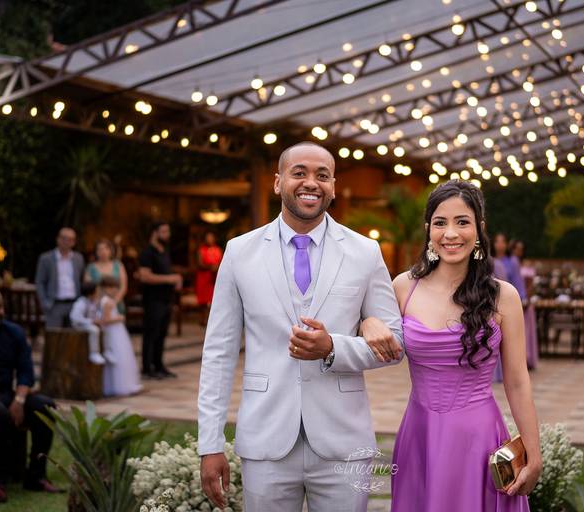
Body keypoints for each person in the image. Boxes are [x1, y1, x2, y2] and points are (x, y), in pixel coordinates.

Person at [198, 142, 404, 512]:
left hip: (343, 440)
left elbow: (395, 345)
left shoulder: (364, 252)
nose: (311, 182)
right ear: (278, 182)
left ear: (333, 187)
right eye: (299, 173)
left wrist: (333, 349)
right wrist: (210, 443)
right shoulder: (240, 252)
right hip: (265, 439)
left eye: (322, 175)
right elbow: (218, 353)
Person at [365, 181, 540, 510]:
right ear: (428, 229)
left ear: (479, 229)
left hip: (478, 438)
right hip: (419, 434)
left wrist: (534, 451)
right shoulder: (403, 287)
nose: (451, 233)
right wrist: (367, 322)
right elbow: (365, 335)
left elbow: (517, 381)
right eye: (440, 222)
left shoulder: (503, 296)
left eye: (462, 222)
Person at [0, 286, 61, 503]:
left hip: (6, 394)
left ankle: (36, 476)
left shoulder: (14, 333)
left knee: (45, 406)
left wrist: (19, 399)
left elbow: (26, 371)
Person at [138, 222, 182, 379]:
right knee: (151, 334)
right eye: (164, 231)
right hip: (153, 300)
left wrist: (175, 280)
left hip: (165, 299)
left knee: (162, 334)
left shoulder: (164, 252)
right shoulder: (147, 253)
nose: (167, 235)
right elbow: (144, 276)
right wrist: (170, 279)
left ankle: (158, 365)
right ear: (154, 233)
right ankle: (147, 368)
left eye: (168, 231)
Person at [97, 276, 142, 397]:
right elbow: (105, 320)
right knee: (117, 355)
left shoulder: (108, 300)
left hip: (117, 331)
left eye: (115, 288)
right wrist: (119, 318)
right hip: (113, 332)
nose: (115, 290)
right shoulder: (107, 302)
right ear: (105, 288)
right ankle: (117, 384)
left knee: (122, 356)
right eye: (112, 288)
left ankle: (123, 383)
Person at [35, 227, 85, 328]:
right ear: (58, 239)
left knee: (73, 336)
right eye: (64, 238)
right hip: (54, 305)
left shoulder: (78, 258)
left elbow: (82, 279)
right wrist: (44, 302)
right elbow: (40, 282)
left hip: (74, 305)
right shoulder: (46, 258)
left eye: (70, 239)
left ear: (74, 242)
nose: (67, 242)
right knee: (53, 335)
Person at [510, 239, 539, 370]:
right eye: (517, 249)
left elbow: (530, 285)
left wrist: (527, 298)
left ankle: (527, 357)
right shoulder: (512, 262)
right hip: (518, 300)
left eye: (521, 249)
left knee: (526, 331)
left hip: (525, 300)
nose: (519, 251)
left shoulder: (523, 264)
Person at [85, 239, 128, 314]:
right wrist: (99, 302)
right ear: (96, 252)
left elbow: (123, 286)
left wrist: (114, 302)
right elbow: (88, 288)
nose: (103, 252)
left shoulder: (118, 265)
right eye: (100, 249)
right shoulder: (90, 268)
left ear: (110, 250)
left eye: (106, 248)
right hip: (97, 306)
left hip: (117, 304)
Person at [68, 282, 105, 365]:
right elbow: (75, 317)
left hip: (88, 323)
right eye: (96, 291)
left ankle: (106, 351)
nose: (98, 293)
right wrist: (91, 321)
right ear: (90, 293)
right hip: (78, 325)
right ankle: (94, 353)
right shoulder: (80, 303)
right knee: (94, 330)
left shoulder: (93, 301)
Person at [195, 232, 223, 324]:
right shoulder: (201, 250)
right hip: (204, 277)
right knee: (204, 300)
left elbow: (222, 262)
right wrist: (210, 267)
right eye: (208, 238)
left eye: (211, 237)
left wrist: (217, 267)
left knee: (214, 299)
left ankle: (213, 320)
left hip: (215, 277)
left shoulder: (218, 250)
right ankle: (203, 319)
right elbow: (199, 264)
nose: (209, 239)